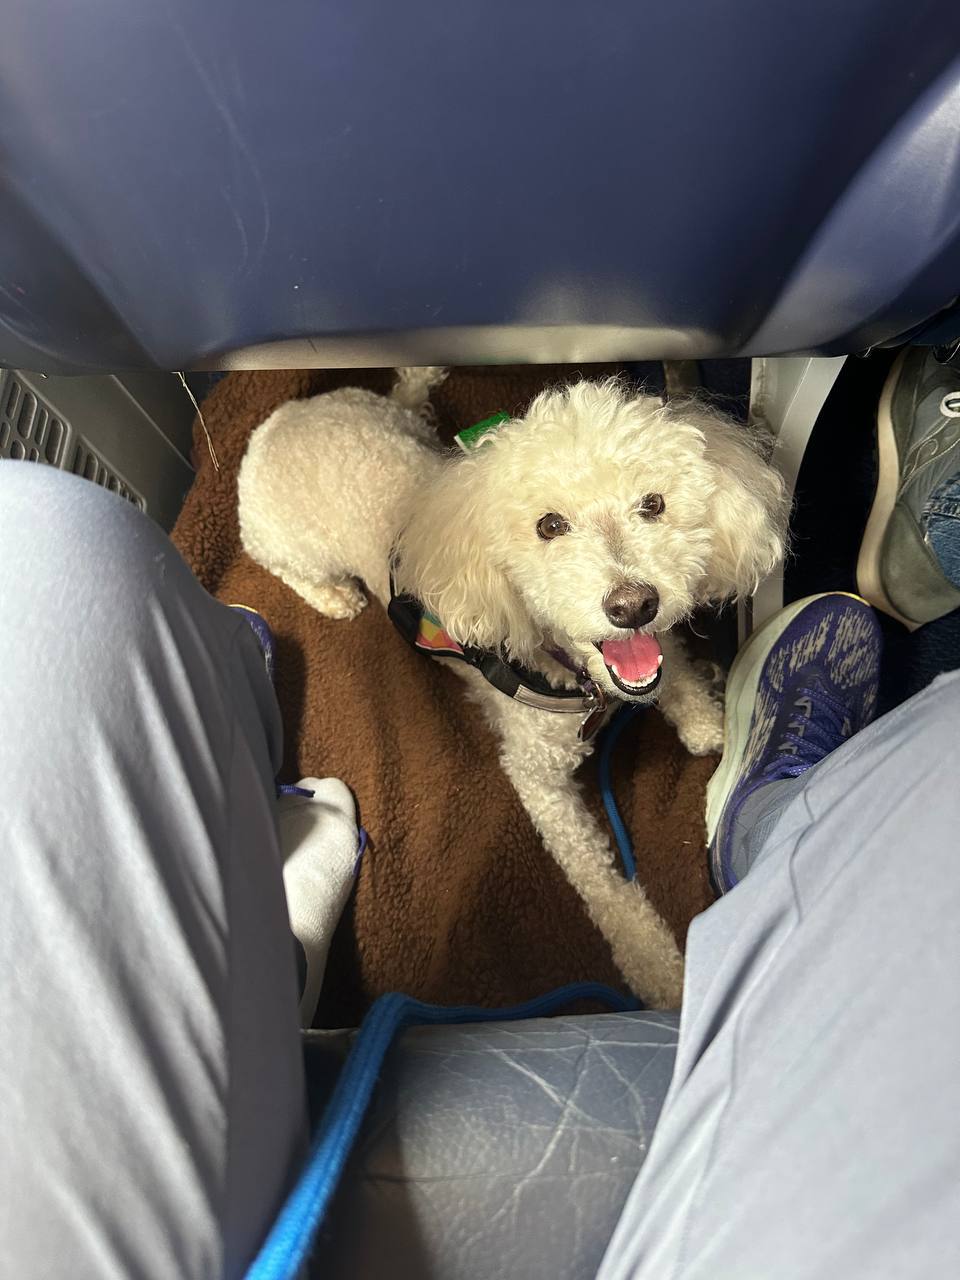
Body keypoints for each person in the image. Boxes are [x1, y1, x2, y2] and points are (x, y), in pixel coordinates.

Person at [1, 350, 958, 1278]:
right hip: (293, 499)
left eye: (650, 506)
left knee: (629, 645)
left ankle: (746, 780)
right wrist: (636, 928)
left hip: (371, 436)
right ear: (501, 548)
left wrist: (675, 688)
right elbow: (542, 784)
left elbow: (632, 610)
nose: (625, 580)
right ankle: (751, 829)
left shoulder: (611, 593)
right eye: (551, 526)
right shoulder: (490, 630)